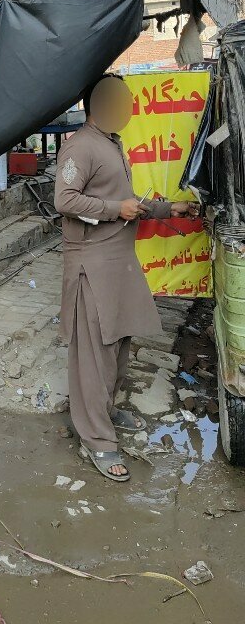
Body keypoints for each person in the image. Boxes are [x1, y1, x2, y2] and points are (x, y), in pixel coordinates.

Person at [54, 73, 197, 482]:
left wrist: (169, 209)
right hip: (92, 264)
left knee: (118, 341)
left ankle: (108, 409)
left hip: (119, 261)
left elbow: (127, 203)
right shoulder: (80, 146)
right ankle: (97, 439)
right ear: (93, 106)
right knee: (93, 354)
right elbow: (64, 200)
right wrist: (116, 209)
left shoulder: (111, 144)